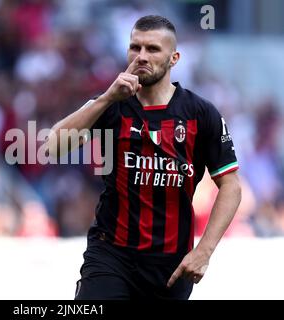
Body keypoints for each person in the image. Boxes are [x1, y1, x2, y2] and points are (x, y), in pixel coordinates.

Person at [44, 15, 241, 299]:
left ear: (174, 58)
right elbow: (51, 147)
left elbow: (231, 186)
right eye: (135, 47)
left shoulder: (201, 114)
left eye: (152, 49)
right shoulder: (110, 105)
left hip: (171, 266)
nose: (141, 56)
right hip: (112, 254)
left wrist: (204, 250)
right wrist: (105, 99)